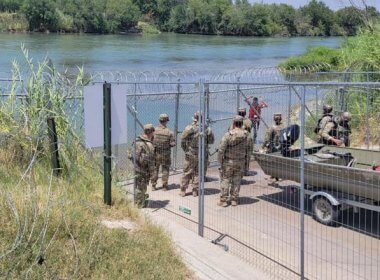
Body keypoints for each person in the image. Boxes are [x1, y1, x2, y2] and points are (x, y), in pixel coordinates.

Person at [180, 112, 214, 197]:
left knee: (187, 171)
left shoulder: (189, 128)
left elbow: (182, 140)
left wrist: (186, 150)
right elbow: (211, 141)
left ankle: (183, 190)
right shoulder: (207, 128)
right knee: (198, 172)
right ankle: (195, 190)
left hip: (191, 152)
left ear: (194, 118)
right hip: (202, 152)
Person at [218, 115, 249, 207]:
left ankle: (223, 200)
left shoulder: (228, 135)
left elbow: (221, 149)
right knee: (237, 180)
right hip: (240, 162)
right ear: (242, 123)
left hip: (228, 162)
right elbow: (249, 150)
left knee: (226, 179)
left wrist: (220, 161)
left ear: (234, 123)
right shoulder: (247, 135)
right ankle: (234, 200)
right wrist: (246, 163)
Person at [151, 114, 176, 191]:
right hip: (165, 154)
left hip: (155, 153)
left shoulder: (154, 131)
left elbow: (150, 141)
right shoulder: (169, 132)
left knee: (155, 169)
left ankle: (153, 185)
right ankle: (164, 186)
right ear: (166, 121)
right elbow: (173, 144)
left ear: (159, 120)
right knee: (165, 170)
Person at [133, 124, 155, 208]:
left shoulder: (136, 140)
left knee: (137, 185)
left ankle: (138, 200)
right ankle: (138, 205)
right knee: (142, 187)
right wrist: (153, 173)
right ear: (151, 132)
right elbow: (151, 161)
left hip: (136, 167)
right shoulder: (149, 145)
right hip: (143, 169)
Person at [231, 108, 253, 176]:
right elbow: (249, 129)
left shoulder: (235, 120)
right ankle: (245, 170)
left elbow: (231, 129)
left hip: (235, 141)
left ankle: (237, 170)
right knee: (247, 155)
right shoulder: (248, 121)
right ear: (245, 113)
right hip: (246, 140)